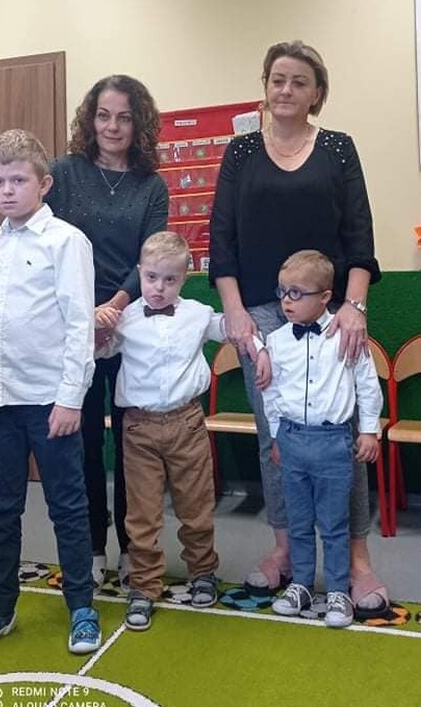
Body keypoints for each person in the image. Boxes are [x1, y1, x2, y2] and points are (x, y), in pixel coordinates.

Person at [209, 39, 387, 614]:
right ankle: (286, 551)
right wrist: (236, 312)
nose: (285, 90)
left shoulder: (337, 148)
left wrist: (354, 307)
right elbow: (222, 240)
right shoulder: (240, 152)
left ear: (317, 93)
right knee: (276, 438)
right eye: (277, 79)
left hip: (333, 311)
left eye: (299, 81)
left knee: (341, 436)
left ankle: (356, 561)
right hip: (261, 313)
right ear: (265, 86)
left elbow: (359, 236)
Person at [0, 129, 101, 655]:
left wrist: (70, 398)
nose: (7, 190)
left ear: (43, 184)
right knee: (0, 508)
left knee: (67, 506)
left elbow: (79, 325)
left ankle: (81, 607)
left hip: (49, 401)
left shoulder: (66, 241)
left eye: (18, 180)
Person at [95, 231, 269, 631]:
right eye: (151, 277)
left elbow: (236, 329)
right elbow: (96, 351)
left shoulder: (197, 314)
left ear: (184, 278)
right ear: (139, 273)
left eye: (170, 279)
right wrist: (96, 326)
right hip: (138, 428)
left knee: (197, 506)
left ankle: (203, 571)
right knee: (141, 515)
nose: (159, 288)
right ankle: (143, 586)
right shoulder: (125, 318)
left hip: (187, 423)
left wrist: (259, 350)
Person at [45, 75, 169, 589]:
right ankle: (92, 547)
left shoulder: (152, 185)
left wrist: (113, 309)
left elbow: (152, 259)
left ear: (139, 123)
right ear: (89, 118)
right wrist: (85, 318)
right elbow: (33, 235)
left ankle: (134, 549)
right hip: (71, 326)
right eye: (103, 115)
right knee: (83, 446)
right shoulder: (62, 173)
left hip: (131, 325)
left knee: (131, 446)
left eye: (123, 117)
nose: (112, 126)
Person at [258, 250, 382, 628]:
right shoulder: (276, 340)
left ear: (326, 296)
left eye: (297, 293)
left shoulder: (348, 334)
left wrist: (368, 430)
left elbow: (367, 384)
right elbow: (271, 393)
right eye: (282, 292)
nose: (286, 301)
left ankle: (339, 590)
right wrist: (277, 436)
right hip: (292, 438)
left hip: (333, 443)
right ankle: (301, 584)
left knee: (334, 523)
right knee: (298, 520)